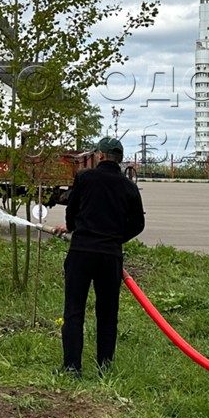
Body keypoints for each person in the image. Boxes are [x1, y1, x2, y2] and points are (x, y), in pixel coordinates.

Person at [53, 136, 145, 376]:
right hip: (110, 257)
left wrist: (73, 228)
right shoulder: (129, 187)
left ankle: (72, 367)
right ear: (120, 160)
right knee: (107, 313)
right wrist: (115, 239)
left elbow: (72, 212)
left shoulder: (85, 178)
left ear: (100, 156)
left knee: (74, 310)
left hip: (81, 252)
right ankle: (105, 367)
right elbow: (138, 224)